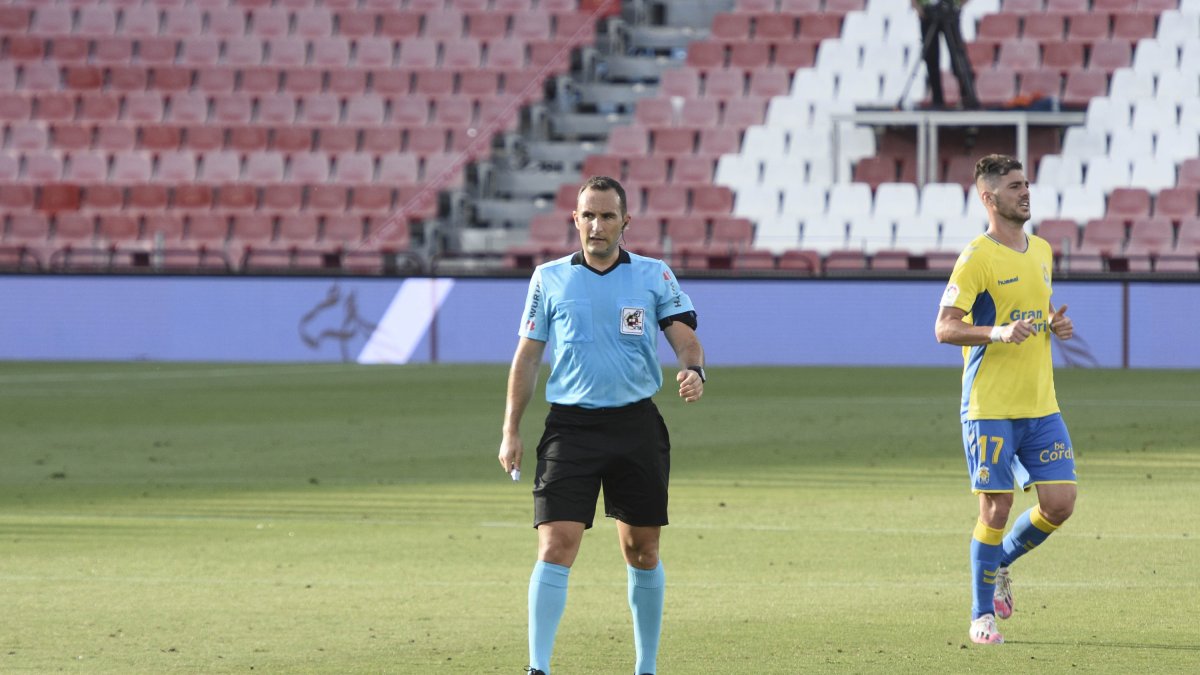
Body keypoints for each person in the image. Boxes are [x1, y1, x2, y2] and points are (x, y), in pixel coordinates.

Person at [498, 176, 706, 674]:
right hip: (570, 428)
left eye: (607, 216)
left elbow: (686, 340)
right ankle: (538, 668)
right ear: (575, 219)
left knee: (643, 549)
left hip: (636, 425)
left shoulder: (654, 276)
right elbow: (527, 359)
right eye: (588, 215)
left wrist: (693, 370)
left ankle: (646, 667)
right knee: (556, 542)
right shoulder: (548, 279)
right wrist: (511, 429)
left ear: (625, 222)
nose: (596, 225)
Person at [934, 154, 1077, 645]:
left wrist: (1052, 325)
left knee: (1060, 504)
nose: (1026, 192)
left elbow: (1033, 316)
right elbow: (944, 328)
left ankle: (999, 566)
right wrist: (996, 332)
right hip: (989, 406)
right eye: (1015, 185)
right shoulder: (977, 256)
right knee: (994, 510)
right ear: (989, 198)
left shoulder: (1041, 250)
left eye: (1027, 183)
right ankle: (981, 616)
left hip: (1041, 404)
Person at [912, 0, 981, 110]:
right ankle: (937, 100)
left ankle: (967, 96)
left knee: (958, 58)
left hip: (949, 12)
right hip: (928, 14)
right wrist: (918, 7)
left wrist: (956, 6)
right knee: (931, 58)